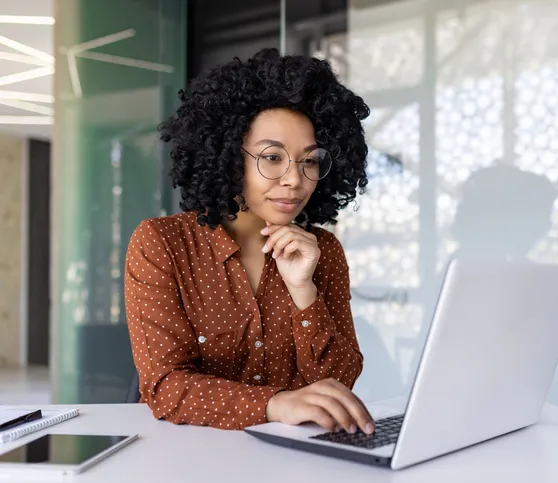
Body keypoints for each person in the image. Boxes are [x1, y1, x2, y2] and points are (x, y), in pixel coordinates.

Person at [124, 48, 376, 435]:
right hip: (182, 455)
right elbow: (165, 386)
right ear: (226, 156)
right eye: (272, 157)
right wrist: (275, 405)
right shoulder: (162, 244)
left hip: (291, 458)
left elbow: (338, 384)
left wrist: (303, 291)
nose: (295, 179)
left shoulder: (322, 252)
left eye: (309, 160)